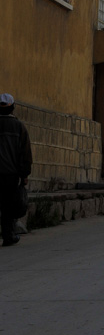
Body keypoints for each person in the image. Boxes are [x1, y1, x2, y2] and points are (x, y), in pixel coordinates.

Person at [0, 93, 32, 247]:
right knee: (7, 206)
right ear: (13, 108)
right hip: (10, 175)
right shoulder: (20, 127)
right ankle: (8, 236)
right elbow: (25, 153)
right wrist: (24, 174)